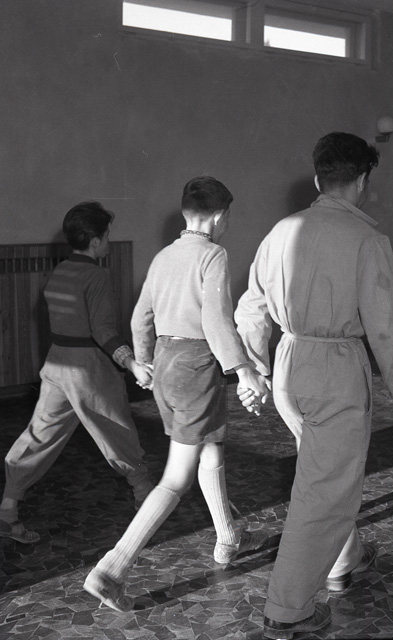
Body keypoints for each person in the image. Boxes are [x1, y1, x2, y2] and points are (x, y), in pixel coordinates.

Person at [235, 131, 393, 639]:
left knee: (325, 475)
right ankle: (287, 609)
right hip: (334, 371)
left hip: (289, 363)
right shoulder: (366, 239)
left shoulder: (280, 231)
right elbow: (389, 324)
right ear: (362, 180)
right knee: (324, 491)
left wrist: (256, 368)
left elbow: (251, 306)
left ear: (319, 180)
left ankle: (347, 560)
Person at [83, 175, 270, 612]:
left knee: (211, 443)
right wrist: (243, 369)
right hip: (196, 366)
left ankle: (228, 537)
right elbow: (216, 320)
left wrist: (145, 362)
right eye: (228, 217)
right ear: (219, 216)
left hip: (167, 364)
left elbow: (140, 316)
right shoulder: (213, 254)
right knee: (176, 477)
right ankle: (111, 569)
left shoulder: (164, 256)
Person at [0, 201, 154, 544]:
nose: (108, 242)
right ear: (96, 241)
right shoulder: (96, 275)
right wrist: (131, 363)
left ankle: (7, 508)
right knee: (117, 430)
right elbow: (103, 330)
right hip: (88, 368)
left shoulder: (58, 272)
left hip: (57, 365)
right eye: (107, 236)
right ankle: (145, 495)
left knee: (40, 434)